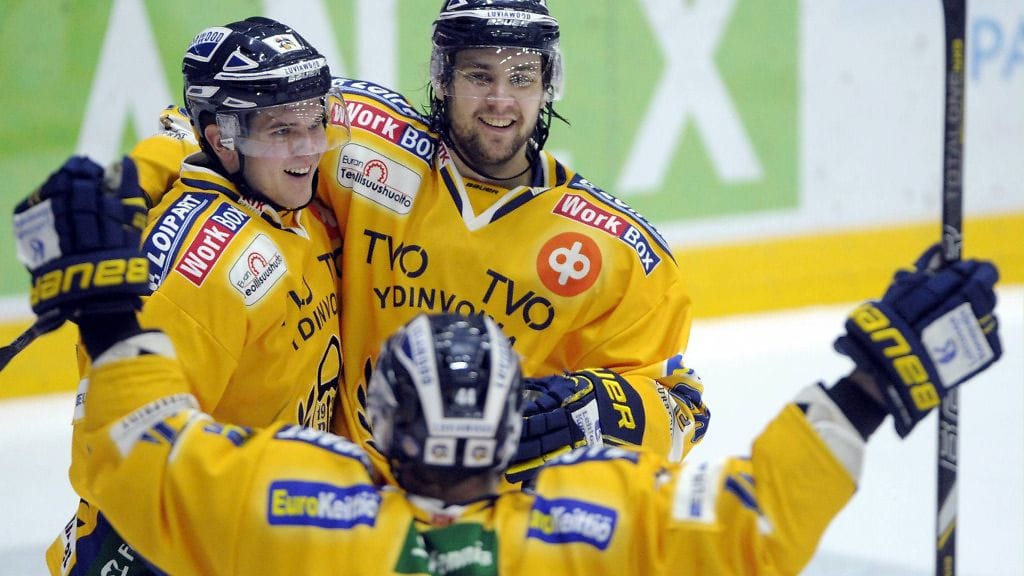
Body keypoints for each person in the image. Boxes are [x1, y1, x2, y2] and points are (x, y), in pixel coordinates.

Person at [11, 168, 1003, 574]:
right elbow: (754, 521)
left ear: (381, 433)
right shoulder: (590, 526)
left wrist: (105, 312)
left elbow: (140, 451)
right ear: (509, 438)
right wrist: (873, 383)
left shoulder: (289, 503)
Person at [128, 0, 709, 486]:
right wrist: (125, 192)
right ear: (441, 78)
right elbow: (212, 121)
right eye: (479, 75)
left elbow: (682, 409)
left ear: (548, 85)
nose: (501, 101)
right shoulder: (359, 139)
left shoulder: (620, 252)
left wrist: (600, 412)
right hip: (338, 522)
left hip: (485, 537)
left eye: (522, 78)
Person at [30, 17, 351, 576]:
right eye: (280, 132)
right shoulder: (206, 268)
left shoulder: (289, 201)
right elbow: (118, 449)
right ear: (219, 139)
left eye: (314, 122)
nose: (308, 150)